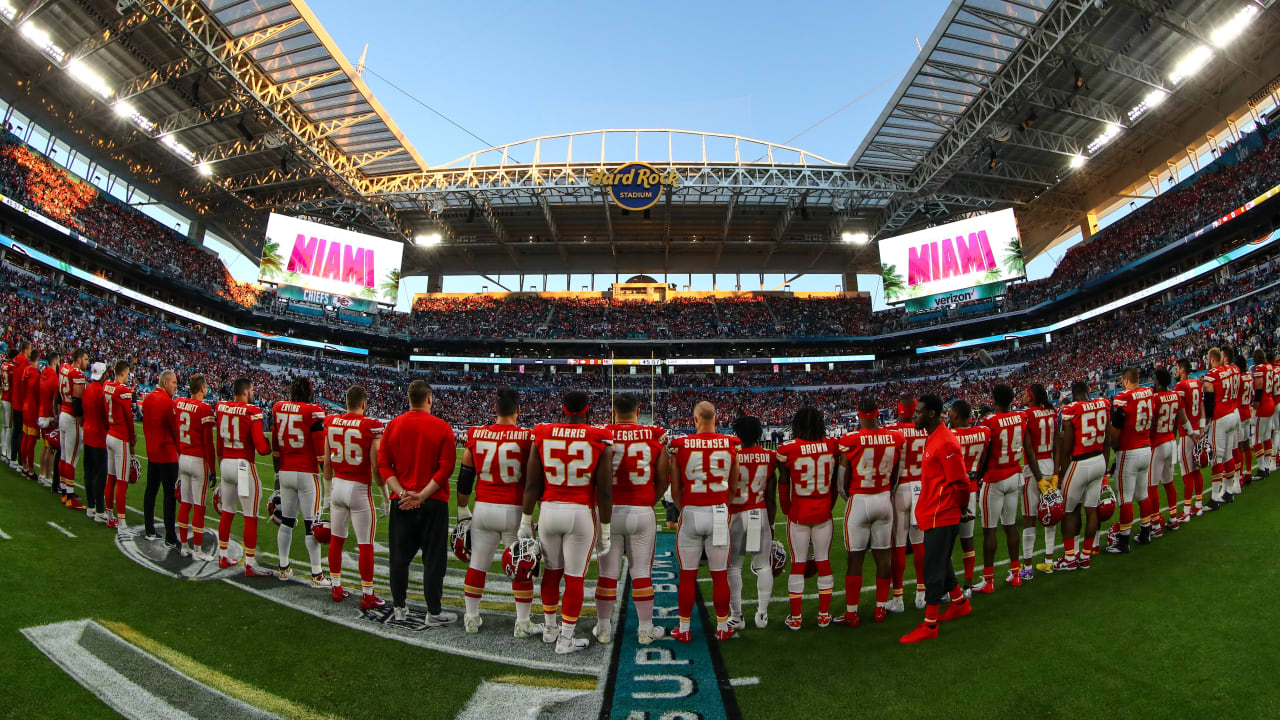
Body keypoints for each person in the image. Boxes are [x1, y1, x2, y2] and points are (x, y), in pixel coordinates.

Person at [521, 389, 613, 654]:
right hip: (579, 512)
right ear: (587, 410)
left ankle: (550, 628)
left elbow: (532, 483)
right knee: (575, 578)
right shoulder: (599, 437)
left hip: (549, 511)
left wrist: (526, 519)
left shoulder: (542, 432)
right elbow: (604, 490)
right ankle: (566, 639)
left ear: (562, 408)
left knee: (552, 571)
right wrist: (605, 528)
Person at [455, 387, 536, 636]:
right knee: (522, 566)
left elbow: (465, 477)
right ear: (519, 410)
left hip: (484, 508)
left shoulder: (477, 434)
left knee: (477, 564)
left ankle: (471, 617)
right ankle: (522, 623)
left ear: (495, 410)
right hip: (514, 510)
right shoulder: (527, 437)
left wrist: (461, 508)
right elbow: (534, 479)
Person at [377, 380, 457, 624]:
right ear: (430, 399)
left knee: (399, 558)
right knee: (434, 560)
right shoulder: (443, 427)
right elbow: (446, 469)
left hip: (401, 502)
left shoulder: (393, 425)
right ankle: (433, 611)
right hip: (433, 502)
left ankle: (399, 607)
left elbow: (383, 464)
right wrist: (422, 495)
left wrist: (402, 493)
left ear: (409, 399)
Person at [899, 394, 974, 644]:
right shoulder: (934, 437)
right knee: (942, 563)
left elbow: (962, 482)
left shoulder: (945, 443)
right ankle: (960, 602)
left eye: (919, 412)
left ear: (931, 414)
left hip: (942, 514)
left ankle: (930, 624)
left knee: (932, 568)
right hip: (934, 512)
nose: (914, 415)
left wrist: (961, 509)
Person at [597, 392, 669, 644]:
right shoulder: (654, 435)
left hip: (609, 511)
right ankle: (646, 628)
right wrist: (650, 499)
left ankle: (603, 628)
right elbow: (663, 476)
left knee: (607, 572)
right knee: (641, 571)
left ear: (614, 412)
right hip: (641, 510)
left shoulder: (603, 434)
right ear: (638, 412)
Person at [667, 401, 736, 642]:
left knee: (687, 575)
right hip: (718, 511)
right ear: (716, 418)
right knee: (719, 575)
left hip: (692, 511)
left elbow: (675, 488)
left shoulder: (681, 446)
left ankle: (684, 629)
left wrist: (684, 508)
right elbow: (734, 487)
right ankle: (722, 627)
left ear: (695, 419)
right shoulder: (730, 444)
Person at [837, 396, 902, 626]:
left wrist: (850, 498)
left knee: (855, 559)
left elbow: (841, 481)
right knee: (883, 555)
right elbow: (896, 473)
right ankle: (880, 609)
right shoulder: (894, 437)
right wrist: (887, 491)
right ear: (878, 412)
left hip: (860, 498)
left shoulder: (851, 439)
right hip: (884, 498)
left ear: (859, 413)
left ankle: (852, 614)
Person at [776, 406, 840, 630]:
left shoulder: (787, 449)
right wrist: (829, 506)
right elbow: (834, 485)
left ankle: (796, 618)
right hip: (823, 512)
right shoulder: (832, 446)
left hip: (799, 514)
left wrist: (786, 509)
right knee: (823, 561)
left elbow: (783, 483)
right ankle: (824, 615)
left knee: (798, 564)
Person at [323, 385, 386, 607]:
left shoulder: (331, 422)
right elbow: (376, 467)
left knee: (336, 540)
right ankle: (367, 594)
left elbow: (327, 464)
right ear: (363, 404)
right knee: (365, 544)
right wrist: (385, 497)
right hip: (359, 489)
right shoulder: (371, 425)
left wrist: (325, 495)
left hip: (337, 486)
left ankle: (336, 587)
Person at [270, 377, 329, 585]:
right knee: (311, 526)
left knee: (286, 522)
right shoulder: (313, 411)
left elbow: (275, 447)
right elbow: (320, 452)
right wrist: (329, 482)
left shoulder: (278, 407)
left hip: (285, 471)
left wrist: (277, 478)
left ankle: (283, 568)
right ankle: (317, 574)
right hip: (307, 474)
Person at [215, 376, 274, 576]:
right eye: (252, 390)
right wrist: (269, 446)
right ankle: (250, 564)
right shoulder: (252, 411)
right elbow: (260, 446)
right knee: (250, 516)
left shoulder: (222, 407)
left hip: (226, 464)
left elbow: (219, 443)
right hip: (242, 465)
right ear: (246, 392)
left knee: (228, 512)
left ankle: (222, 555)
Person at [973, 384, 1026, 592]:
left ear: (994, 400)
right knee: (1010, 525)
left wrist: (979, 475)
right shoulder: (1021, 417)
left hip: (995, 477)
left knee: (990, 530)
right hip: (1015, 474)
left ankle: (988, 580)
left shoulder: (989, 421)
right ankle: (1016, 574)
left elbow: (985, 453)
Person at [1053, 381, 1110, 571]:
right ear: (1088, 392)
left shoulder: (1073, 409)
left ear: (1074, 393)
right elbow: (1107, 440)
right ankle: (1085, 555)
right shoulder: (1103, 404)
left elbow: (1067, 444)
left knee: (1068, 510)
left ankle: (1070, 557)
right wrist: (1105, 467)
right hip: (1099, 460)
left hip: (1080, 461)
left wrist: (1062, 470)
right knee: (1092, 509)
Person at [728, 415, 777, 630]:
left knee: (733, 567)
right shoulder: (769, 456)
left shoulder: (731, 455)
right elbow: (771, 496)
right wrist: (772, 524)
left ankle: (737, 617)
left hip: (736, 515)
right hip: (759, 512)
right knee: (763, 565)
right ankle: (762, 615)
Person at [884, 395, 928, 610]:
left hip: (900, 488)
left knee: (899, 544)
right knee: (919, 543)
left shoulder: (892, 430)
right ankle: (922, 594)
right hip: (920, 487)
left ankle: (898, 598)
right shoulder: (926, 428)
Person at [1107, 366, 1155, 552]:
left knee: (1125, 498)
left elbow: (1117, 427)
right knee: (1143, 494)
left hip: (1130, 450)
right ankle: (1145, 532)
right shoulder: (1148, 393)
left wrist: (1115, 447)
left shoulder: (1123, 397)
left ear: (1125, 380)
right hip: (1146, 447)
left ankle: (1124, 541)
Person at [174, 374, 216, 560]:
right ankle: (197, 549)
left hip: (183, 456)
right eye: (206, 386)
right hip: (198, 460)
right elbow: (208, 443)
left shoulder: (179, 403)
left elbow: (176, 432)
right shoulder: (204, 409)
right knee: (199, 506)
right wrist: (213, 469)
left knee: (185, 503)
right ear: (201, 388)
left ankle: (184, 545)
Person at [948, 399, 989, 594]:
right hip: (972, 486)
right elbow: (986, 457)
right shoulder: (983, 432)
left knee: (946, 541)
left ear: (956, 415)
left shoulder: (950, 435)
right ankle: (968, 585)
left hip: (952, 490)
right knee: (968, 539)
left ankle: (949, 586)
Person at [1020, 384, 1057, 576]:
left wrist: (1039, 477)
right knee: (1051, 514)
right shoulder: (1051, 412)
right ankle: (1049, 560)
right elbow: (1057, 443)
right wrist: (1056, 473)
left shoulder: (1027, 415)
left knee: (1029, 517)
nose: (1024, 397)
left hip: (1035, 468)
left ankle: (1027, 567)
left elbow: (1029, 450)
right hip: (1050, 463)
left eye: (1026, 394)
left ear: (1032, 396)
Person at [142, 370, 180, 547]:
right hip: (167, 453)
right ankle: (170, 537)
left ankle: (149, 529)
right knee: (169, 496)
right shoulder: (167, 402)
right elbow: (174, 430)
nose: (175, 386)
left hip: (152, 452)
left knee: (151, 491)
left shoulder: (148, 398)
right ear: (165, 383)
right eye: (173, 383)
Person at [1201, 347, 1240, 509]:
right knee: (1229, 455)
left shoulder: (1212, 375)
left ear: (1211, 359)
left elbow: (1209, 402)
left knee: (1217, 457)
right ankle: (1228, 492)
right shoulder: (1233, 369)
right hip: (1233, 413)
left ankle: (1215, 498)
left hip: (1221, 417)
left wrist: (1206, 423)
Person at [1147, 369, 1184, 535]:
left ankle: (1155, 525)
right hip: (1170, 440)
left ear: (1159, 381)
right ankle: (1174, 519)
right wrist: (1173, 435)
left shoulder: (1155, 398)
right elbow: (1177, 419)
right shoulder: (1176, 395)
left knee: (1152, 486)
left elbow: (1153, 421)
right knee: (1168, 483)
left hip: (1158, 442)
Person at [103, 360, 137, 534]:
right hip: (120, 437)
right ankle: (122, 521)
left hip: (109, 434)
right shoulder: (123, 390)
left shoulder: (107, 385)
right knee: (122, 481)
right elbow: (128, 418)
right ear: (124, 372)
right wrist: (132, 439)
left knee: (111, 477)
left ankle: (109, 515)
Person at [1173, 359, 1205, 520]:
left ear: (1183, 369)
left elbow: (1181, 411)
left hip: (1187, 434)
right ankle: (1198, 506)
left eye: (1177, 368)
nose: (1176, 370)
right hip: (1197, 431)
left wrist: (1191, 431)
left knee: (1187, 473)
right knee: (1196, 470)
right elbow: (1201, 405)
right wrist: (1202, 427)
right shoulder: (1197, 383)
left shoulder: (1180, 387)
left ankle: (1186, 511)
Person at [56, 348, 88, 510]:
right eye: (85, 359)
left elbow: (58, 394)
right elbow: (77, 400)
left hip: (63, 414)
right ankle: (69, 496)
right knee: (71, 458)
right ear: (78, 360)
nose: (87, 362)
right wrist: (80, 421)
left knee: (63, 456)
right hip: (71, 417)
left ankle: (64, 491)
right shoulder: (77, 374)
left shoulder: (63, 368)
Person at [81, 362, 109, 522]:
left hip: (88, 434)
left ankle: (91, 506)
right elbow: (105, 416)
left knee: (89, 472)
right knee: (100, 474)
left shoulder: (88, 388)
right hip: (98, 437)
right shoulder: (99, 391)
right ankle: (99, 510)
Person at [36, 350, 60, 491]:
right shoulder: (54, 377)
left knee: (45, 446)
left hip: (41, 413)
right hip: (49, 415)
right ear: (55, 361)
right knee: (50, 448)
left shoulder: (43, 374)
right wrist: (55, 416)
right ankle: (47, 476)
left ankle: (41, 474)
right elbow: (54, 399)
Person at [1252, 348, 1275, 477]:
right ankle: (1266, 465)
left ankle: (1261, 468)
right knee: (1266, 437)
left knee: (1256, 440)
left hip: (1264, 404)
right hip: (1270, 401)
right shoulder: (1269, 367)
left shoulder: (1260, 368)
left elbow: (1259, 387)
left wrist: (1256, 403)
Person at [8, 341, 30, 466]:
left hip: (14, 399)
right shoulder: (25, 363)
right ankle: (21, 461)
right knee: (21, 431)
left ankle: (12, 458)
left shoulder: (15, 361)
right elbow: (24, 384)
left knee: (15, 430)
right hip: (22, 402)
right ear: (26, 350)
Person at [1, 348, 14, 465]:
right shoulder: (11, 367)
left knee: (5, 426)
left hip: (3, 396)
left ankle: (3, 449)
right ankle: (6, 452)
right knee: (9, 427)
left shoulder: (3, 365)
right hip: (9, 399)